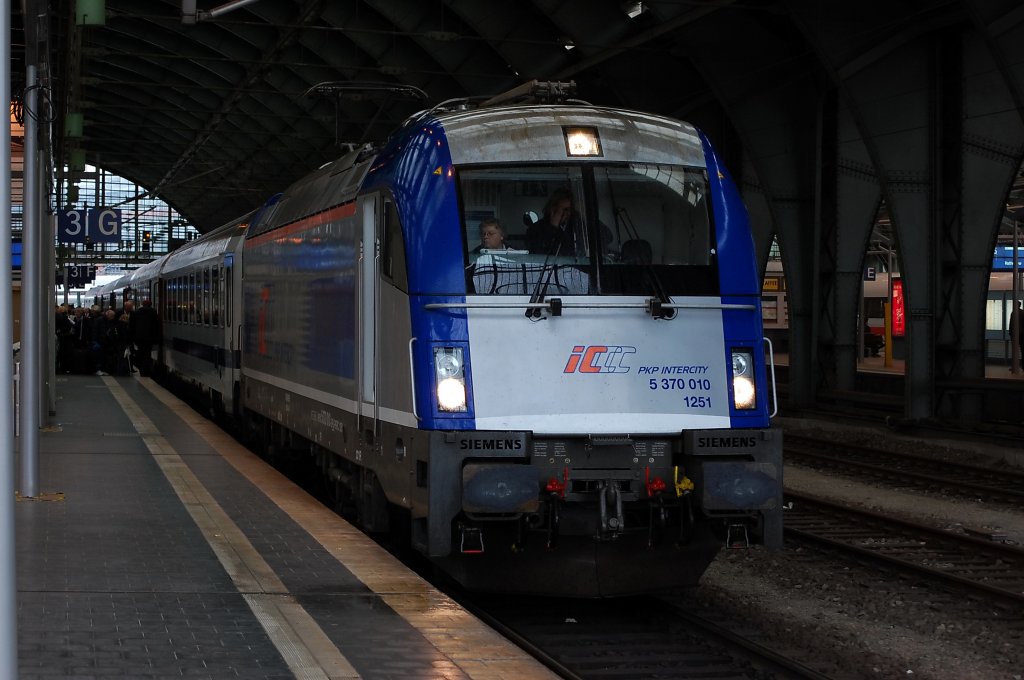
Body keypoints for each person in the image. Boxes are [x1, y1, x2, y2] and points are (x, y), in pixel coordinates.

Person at [526, 187, 578, 255]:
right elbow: (538, 251)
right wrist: (553, 228)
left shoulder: (576, 227)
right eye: (565, 210)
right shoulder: (535, 229)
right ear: (553, 209)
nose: (568, 213)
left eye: (570, 209)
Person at [130, 298, 162, 377]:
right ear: (150, 305)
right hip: (149, 338)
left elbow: (132, 325)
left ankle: (141, 370)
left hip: (139, 338)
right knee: (147, 354)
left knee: (140, 353)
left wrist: (133, 337)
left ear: (143, 304)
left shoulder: (136, 312)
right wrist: (157, 337)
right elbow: (157, 325)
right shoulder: (153, 312)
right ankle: (146, 371)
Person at [1010, 300, 1023, 367]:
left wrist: (1010, 333)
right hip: (1022, 335)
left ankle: (1015, 366)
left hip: (1015, 335)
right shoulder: (1022, 312)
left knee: (1015, 351)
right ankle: (1023, 366)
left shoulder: (1013, 313)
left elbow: (1011, 324)